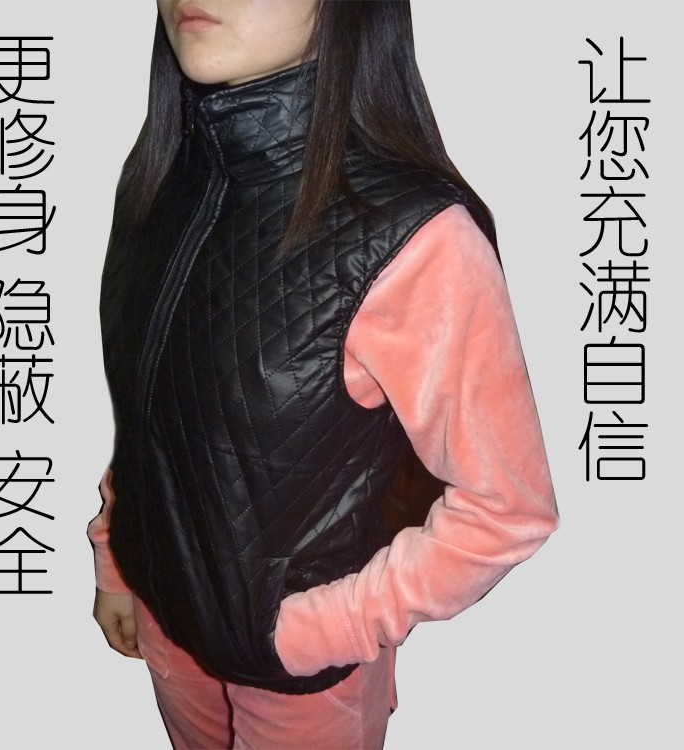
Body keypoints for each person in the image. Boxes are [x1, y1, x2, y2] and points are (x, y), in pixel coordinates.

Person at [89, 1, 559, 748]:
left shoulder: (415, 236)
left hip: (298, 679)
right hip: (163, 620)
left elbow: (508, 509)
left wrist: (317, 631)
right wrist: (119, 560)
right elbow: (148, 411)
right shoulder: (158, 183)